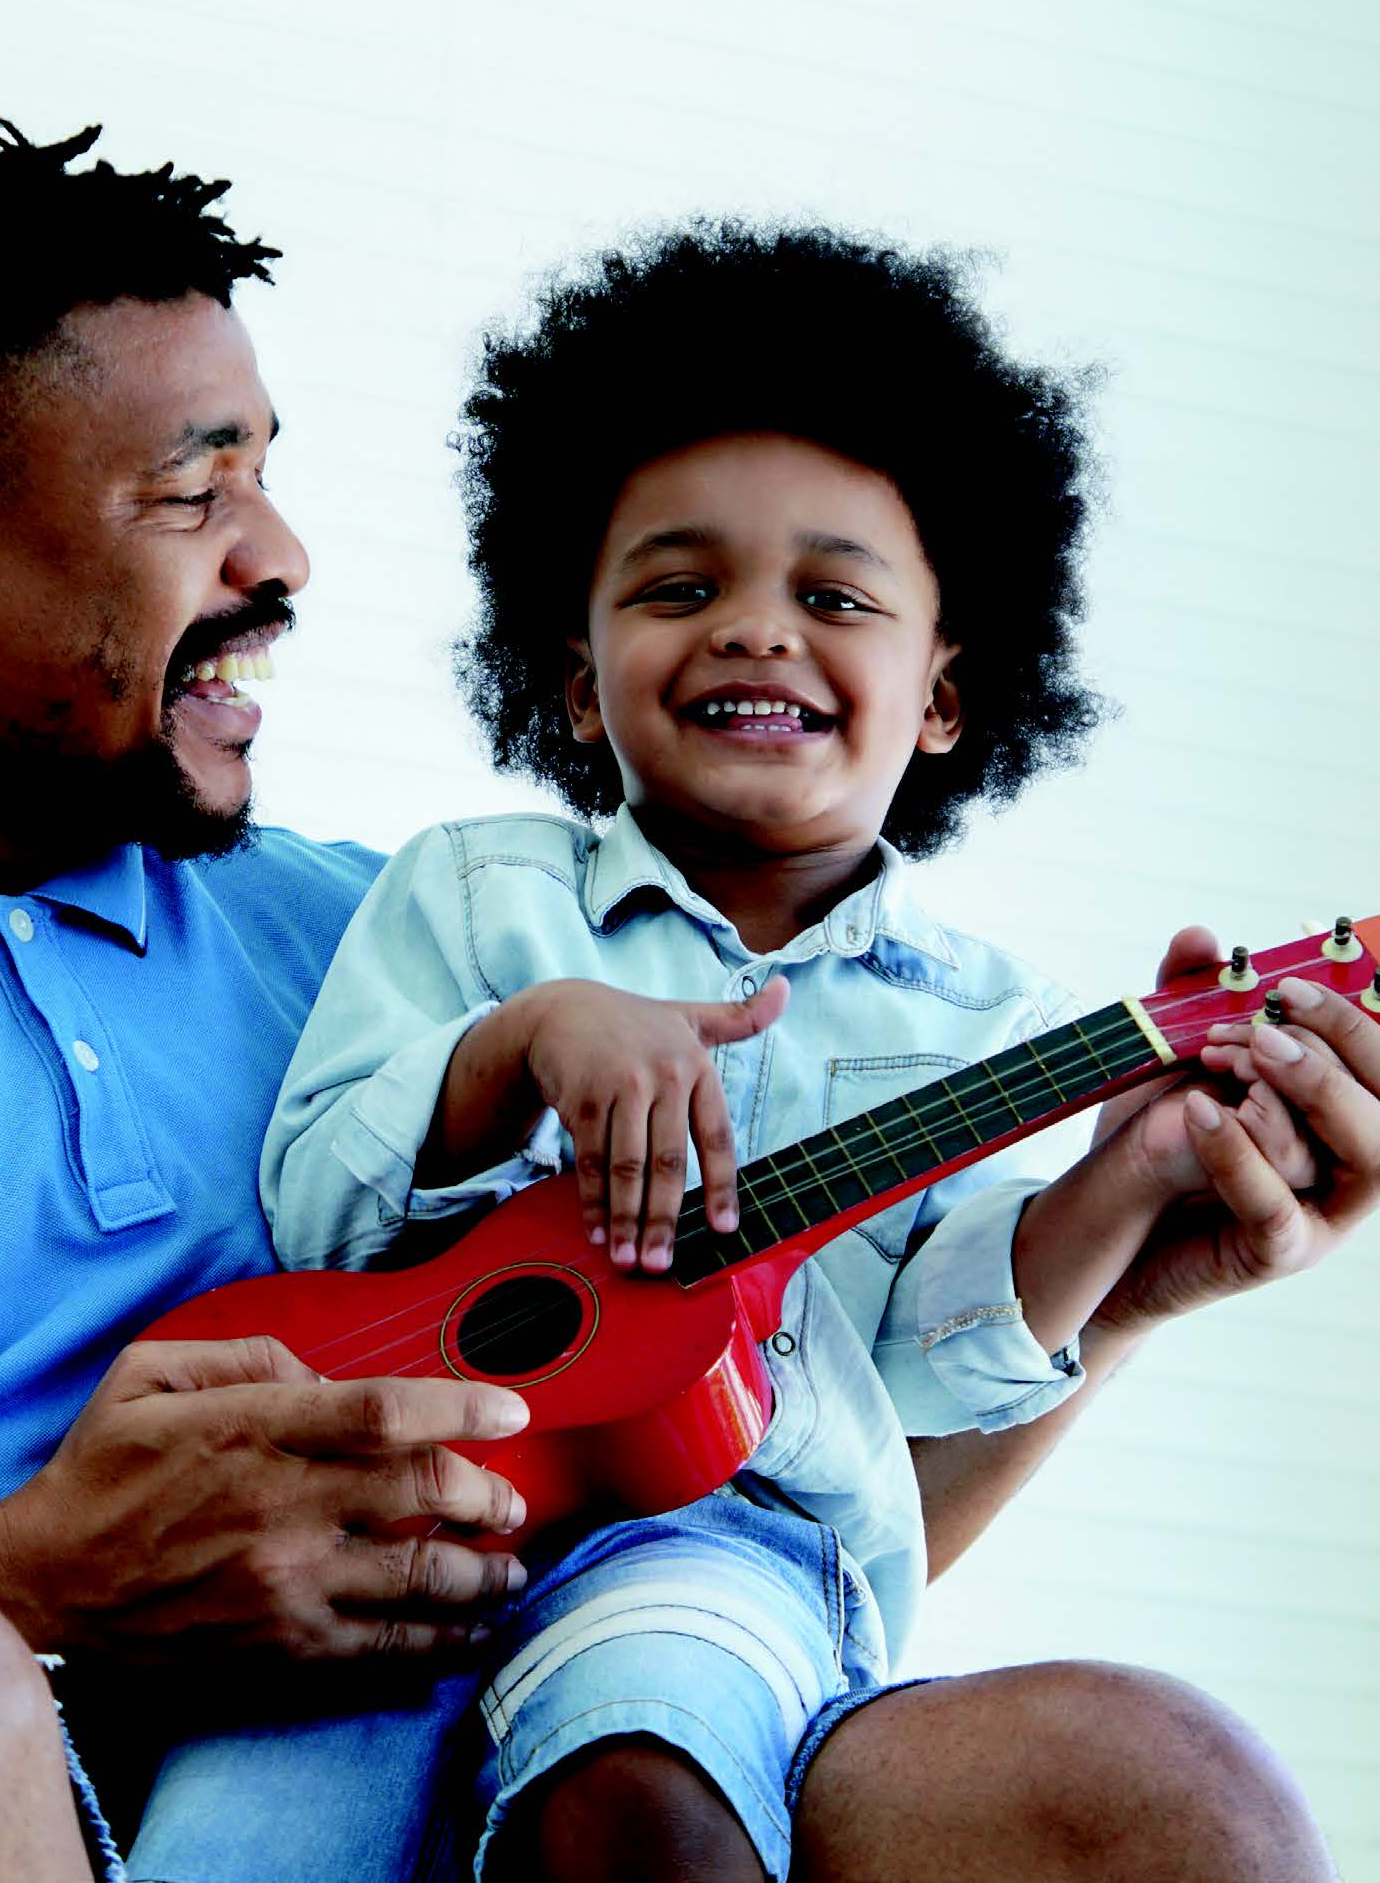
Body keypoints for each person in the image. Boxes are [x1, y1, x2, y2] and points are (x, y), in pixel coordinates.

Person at [0, 118, 1367, 1883]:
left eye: (268, 467)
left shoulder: (399, 948)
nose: (282, 554)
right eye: (192, 493)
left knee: (1146, 1791)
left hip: (459, 1787)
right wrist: (18, 1568)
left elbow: (705, 1468)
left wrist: (1124, 1278)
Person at [127, 220, 1362, 1883]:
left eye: (833, 596)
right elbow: (320, 1209)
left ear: (941, 696)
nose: (755, 631)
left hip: (721, 1540)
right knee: (222, 1851)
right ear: (574, 683)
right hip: (385, 1503)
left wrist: (1129, 1179)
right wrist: (525, 1042)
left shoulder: (973, 1015)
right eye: (678, 587)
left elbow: (937, 1366)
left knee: (640, 1795)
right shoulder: (475, 893)